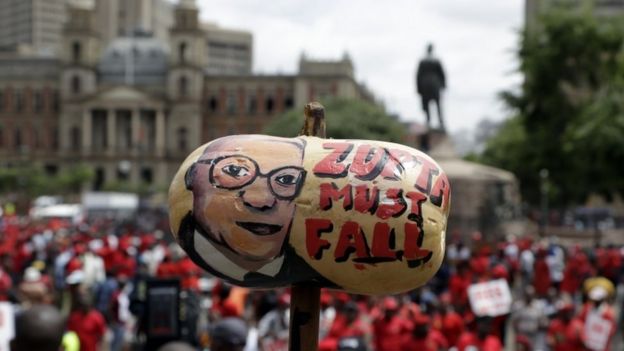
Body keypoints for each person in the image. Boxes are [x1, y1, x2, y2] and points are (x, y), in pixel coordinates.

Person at [178, 135, 335, 288]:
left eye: (286, 180)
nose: (262, 201)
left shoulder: (314, 265)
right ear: (192, 176)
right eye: (234, 171)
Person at [416, 43, 446, 131]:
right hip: (435, 84)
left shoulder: (423, 61)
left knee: (428, 105)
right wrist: (443, 85)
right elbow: (442, 74)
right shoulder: (436, 60)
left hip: (425, 85)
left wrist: (418, 88)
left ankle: (429, 122)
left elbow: (418, 76)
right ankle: (440, 123)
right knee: (438, 105)